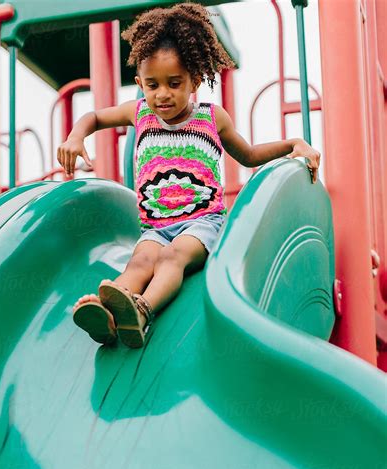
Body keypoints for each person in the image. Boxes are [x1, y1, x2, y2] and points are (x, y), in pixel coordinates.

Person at [57, 2, 321, 349]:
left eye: (174, 83)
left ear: (194, 81)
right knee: (141, 261)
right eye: (152, 85)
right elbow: (93, 117)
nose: (162, 94)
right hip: (155, 226)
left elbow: (249, 155)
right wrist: (76, 136)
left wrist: (292, 144)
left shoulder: (212, 118)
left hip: (201, 225)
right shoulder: (139, 113)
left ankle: (143, 310)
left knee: (171, 258)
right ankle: (109, 313)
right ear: (140, 83)